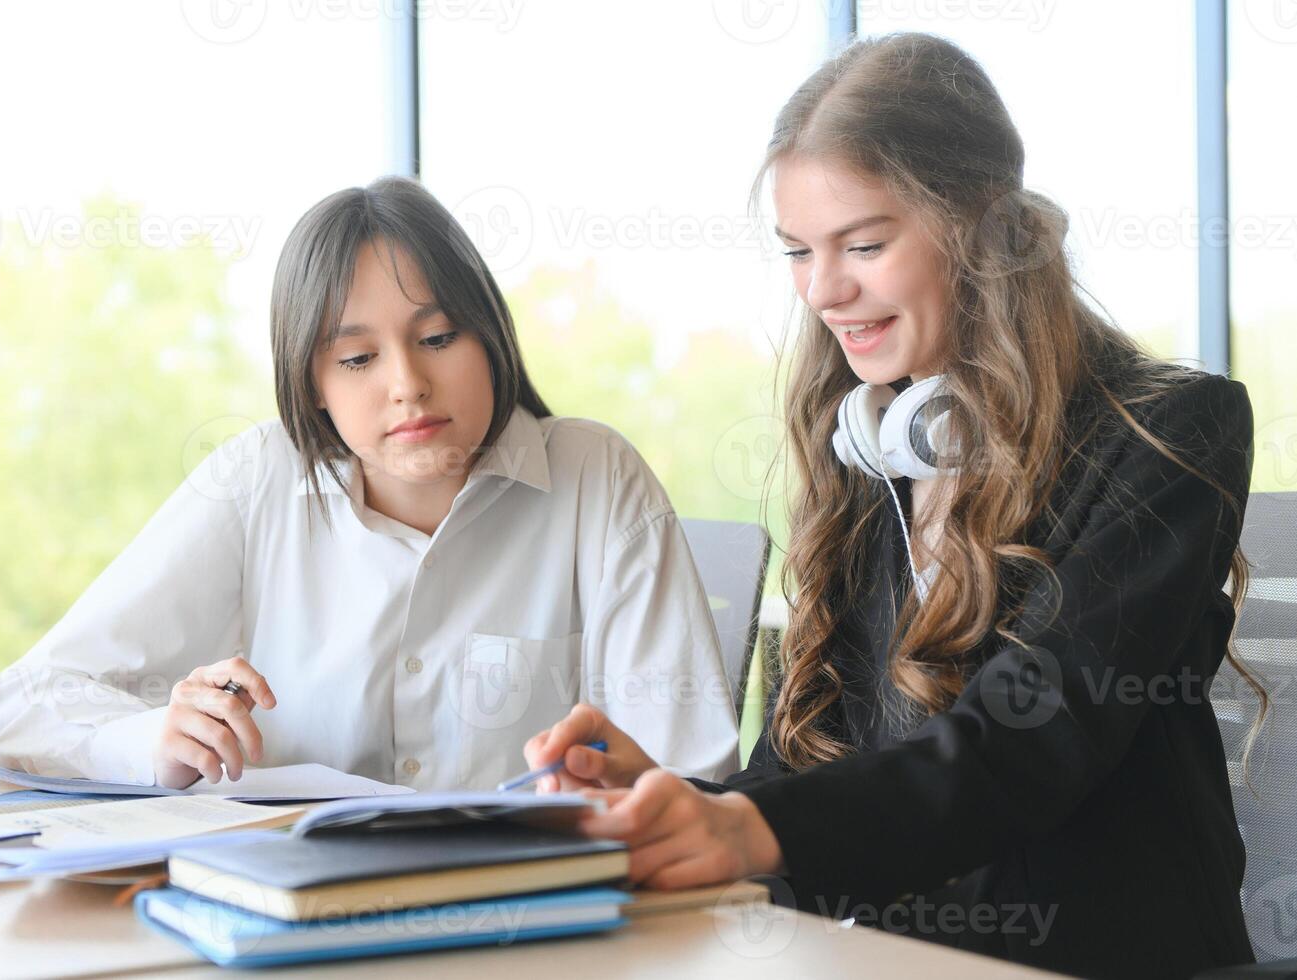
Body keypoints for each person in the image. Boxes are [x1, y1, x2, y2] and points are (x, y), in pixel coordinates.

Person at [524, 33, 1261, 979]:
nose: (824, 290)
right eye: (798, 251)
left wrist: (744, 829)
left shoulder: (1169, 434)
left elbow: (1029, 740)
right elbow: (803, 773)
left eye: (864, 244)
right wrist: (678, 801)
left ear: (985, 231)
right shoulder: (878, 445)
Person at [0, 177, 738, 792]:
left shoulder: (595, 478)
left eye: (438, 339)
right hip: (296, 906)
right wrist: (157, 737)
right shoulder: (259, 477)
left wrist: (618, 786)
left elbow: (693, 775)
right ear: (310, 382)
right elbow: (21, 705)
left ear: (490, 335)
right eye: (355, 360)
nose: (408, 384)